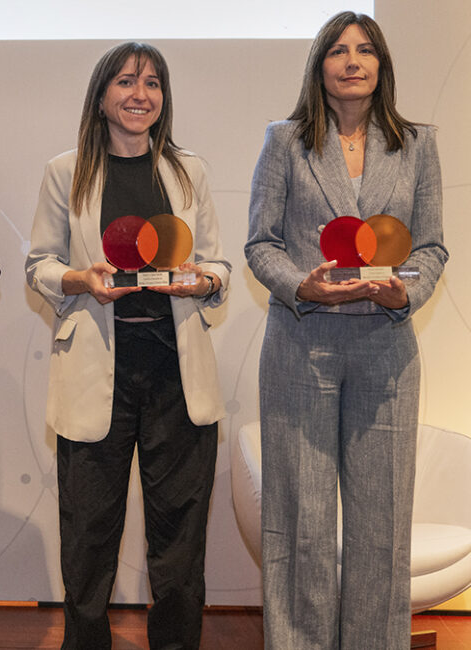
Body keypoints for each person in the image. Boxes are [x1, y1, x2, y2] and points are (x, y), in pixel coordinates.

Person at [245, 11, 447, 649]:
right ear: (319, 65)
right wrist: (302, 284)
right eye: (338, 50)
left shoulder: (418, 143)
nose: (352, 61)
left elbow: (433, 248)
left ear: (382, 64)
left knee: (380, 525)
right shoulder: (285, 140)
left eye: (365, 50)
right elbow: (261, 243)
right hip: (303, 345)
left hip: (386, 350)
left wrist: (404, 290)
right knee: (301, 520)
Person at [25, 42, 230, 649]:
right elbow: (39, 264)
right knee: (88, 539)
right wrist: (79, 279)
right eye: (126, 82)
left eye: (152, 84)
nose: (140, 94)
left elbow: (217, 263)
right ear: (102, 95)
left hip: (177, 374)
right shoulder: (67, 171)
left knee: (180, 545)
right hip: (97, 373)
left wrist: (206, 278)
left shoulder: (189, 171)